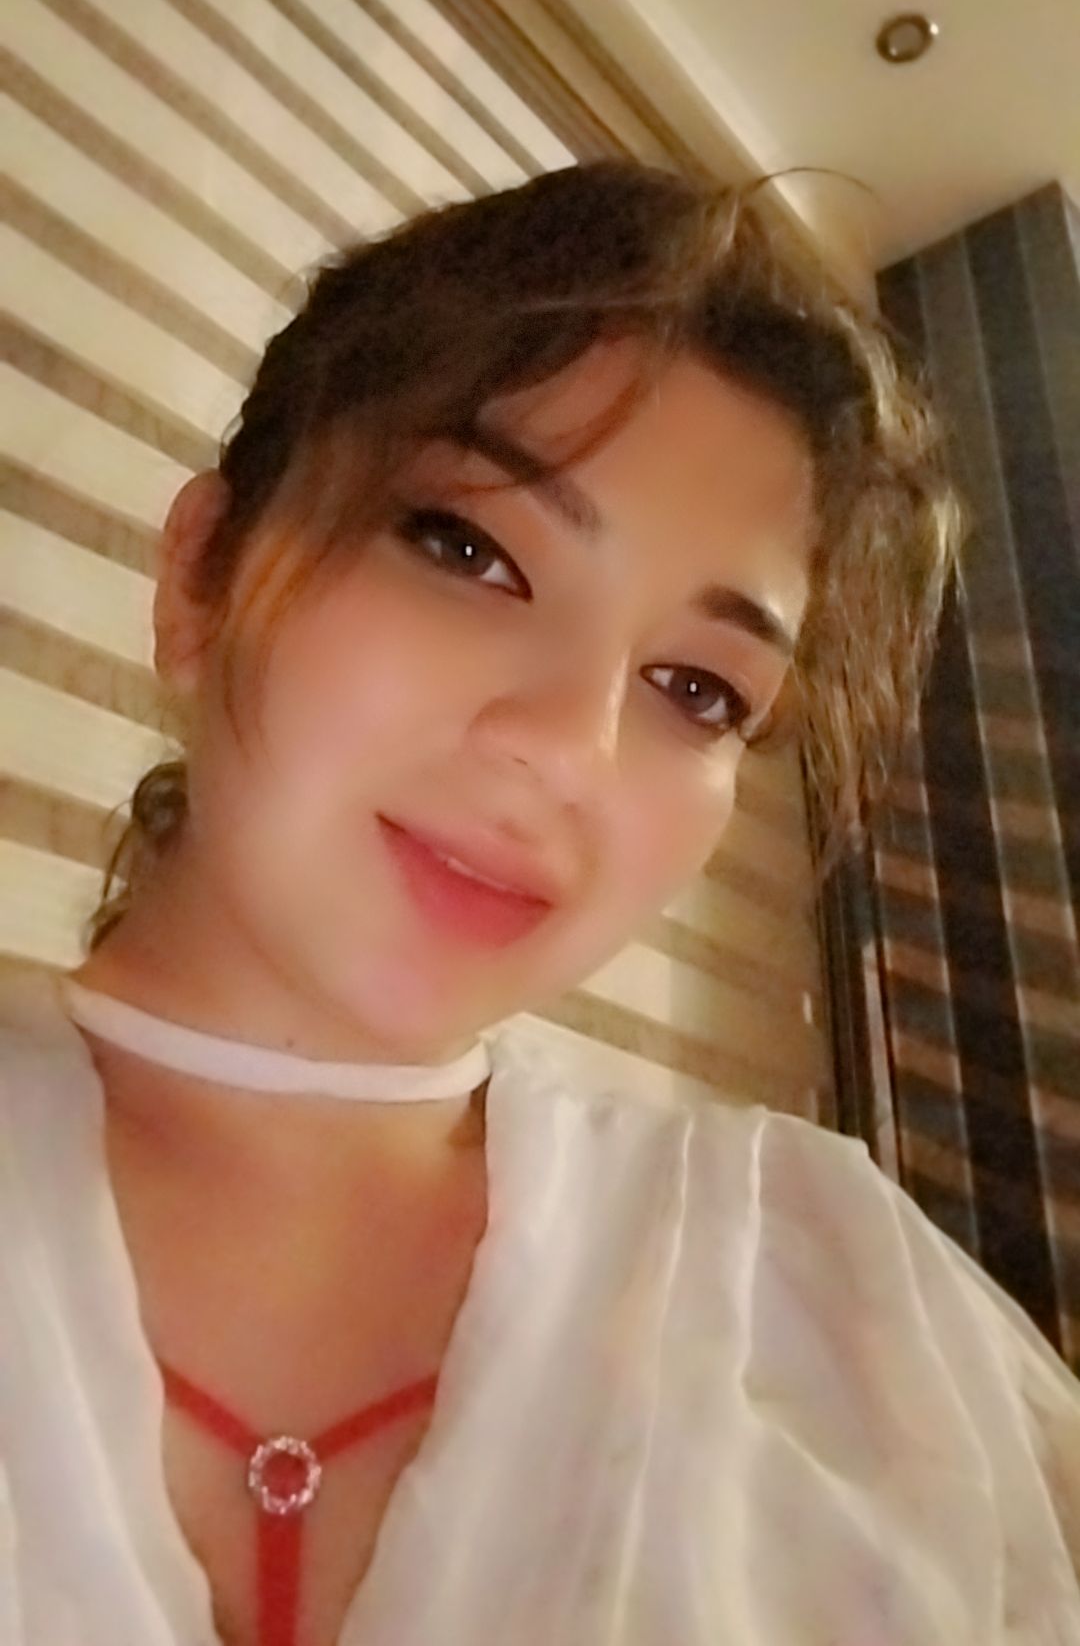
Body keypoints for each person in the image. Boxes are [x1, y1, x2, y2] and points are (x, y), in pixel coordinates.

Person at [1, 161, 1077, 1646]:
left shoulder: (842, 1308)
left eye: (698, 689)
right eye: (470, 551)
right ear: (201, 576)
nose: (571, 750)